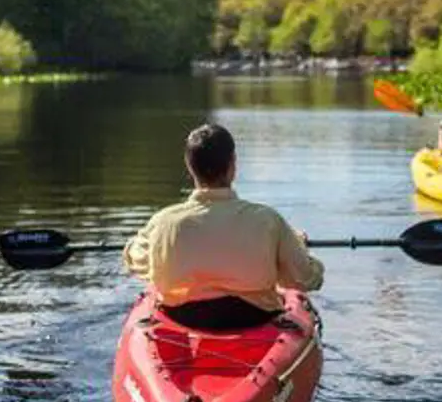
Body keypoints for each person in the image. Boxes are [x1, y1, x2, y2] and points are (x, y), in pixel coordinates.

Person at [122, 122, 325, 331]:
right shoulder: (268, 220)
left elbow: (133, 258)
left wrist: (137, 246)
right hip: (254, 321)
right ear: (233, 165)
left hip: (182, 320)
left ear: (189, 166)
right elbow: (305, 279)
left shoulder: (163, 223)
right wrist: (299, 246)